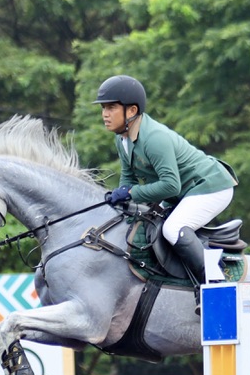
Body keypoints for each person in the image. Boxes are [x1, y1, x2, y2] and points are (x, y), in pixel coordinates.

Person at [92, 74, 238, 288]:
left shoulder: (154, 139)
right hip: (183, 192)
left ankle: (215, 283)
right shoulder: (122, 138)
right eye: (103, 108)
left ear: (131, 111)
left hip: (210, 186)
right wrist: (121, 198)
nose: (105, 114)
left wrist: (131, 194)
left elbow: (171, 185)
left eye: (111, 107)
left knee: (173, 228)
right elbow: (129, 178)